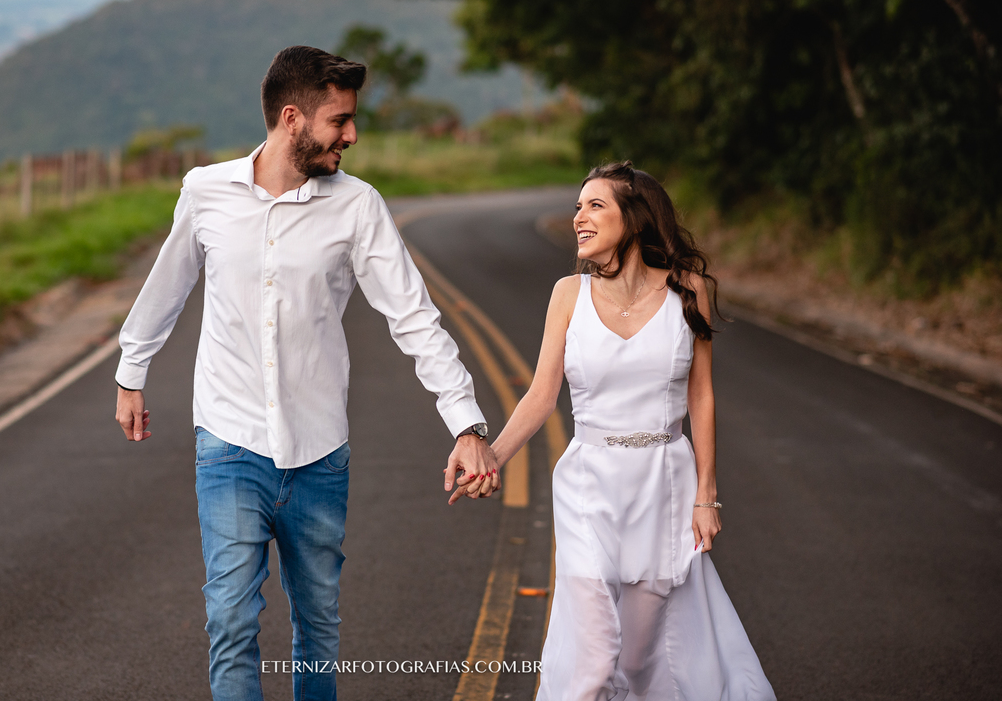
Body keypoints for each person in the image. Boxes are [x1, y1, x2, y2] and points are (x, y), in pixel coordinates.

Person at [112, 45, 500, 701]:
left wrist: (466, 422)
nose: (351, 135)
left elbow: (413, 317)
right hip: (229, 443)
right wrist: (132, 371)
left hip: (319, 453)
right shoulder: (206, 191)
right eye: (339, 121)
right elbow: (167, 286)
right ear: (292, 118)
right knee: (230, 619)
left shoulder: (358, 206)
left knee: (317, 625)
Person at [458, 161, 775, 699]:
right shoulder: (568, 294)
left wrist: (707, 494)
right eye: (577, 206)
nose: (579, 217)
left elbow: (701, 395)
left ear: (635, 217)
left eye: (594, 205)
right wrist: (493, 455)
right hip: (588, 484)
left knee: (641, 654)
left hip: (664, 486)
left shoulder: (686, 290)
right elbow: (541, 395)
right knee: (595, 650)